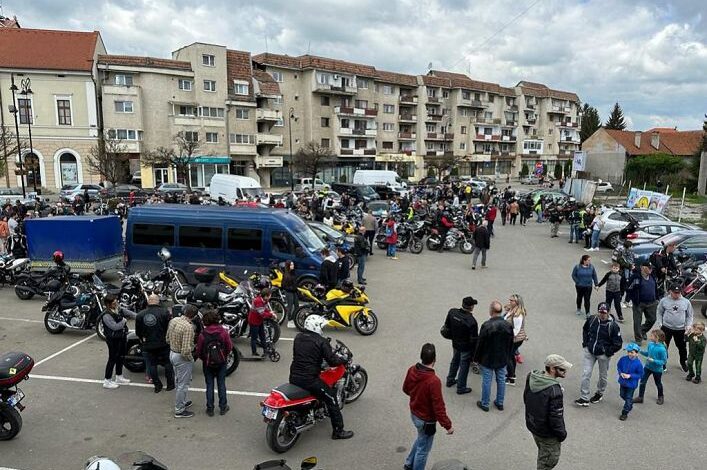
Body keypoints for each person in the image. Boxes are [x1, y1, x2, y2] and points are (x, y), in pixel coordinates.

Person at [290, 315, 354, 440]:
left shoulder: (298, 337)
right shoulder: (321, 341)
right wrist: (344, 359)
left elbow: (306, 355)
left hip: (294, 376)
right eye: (321, 326)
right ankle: (338, 431)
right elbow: (332, 361)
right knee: (331, 398)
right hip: (309, 380)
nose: (323, 328)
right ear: (316, 327)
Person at [403, 343, 453, 470]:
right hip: (426, 420)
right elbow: (439, 408)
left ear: (421, 356)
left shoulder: (412, 369)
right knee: (423, 450)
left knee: (421, 439)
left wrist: (416, 397)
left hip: (414, 413)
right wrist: (448, 426)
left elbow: (406, 389)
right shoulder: (433, 381)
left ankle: (409, 463)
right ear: (434, 359)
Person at [523, 354, 571, 470]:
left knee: (543, 454)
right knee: (549, 461)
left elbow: (525, 398)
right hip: (547, 434)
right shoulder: (554, 390)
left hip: (533, 426)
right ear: (552, 369)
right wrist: (562, 434)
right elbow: (556, 419)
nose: (565, 371)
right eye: (562, 369)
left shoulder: (532, 376)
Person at [574, 302, 623, 407]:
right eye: (600, 312)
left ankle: (599, 393)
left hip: (603, 355)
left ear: (608, 312)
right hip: (590, 351)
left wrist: (607, 351)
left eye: (604, 312)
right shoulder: (592, 319)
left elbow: (618, 343)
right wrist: (585, 344)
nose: (602, 314)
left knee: (602, 376)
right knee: (586, 373)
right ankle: (584, 397)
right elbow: (585, 330)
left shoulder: (613, 326)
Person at [474, 300, 514, 412]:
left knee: (487, 380)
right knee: (501, 380)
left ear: (491, 311)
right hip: (502, 358)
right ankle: (500, 402)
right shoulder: (508, 325)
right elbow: (511, 342)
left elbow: (480, 343)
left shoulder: (487, 325)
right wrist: (508, 355)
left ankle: (485, 403)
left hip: (488, 358)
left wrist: (476, 358)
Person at [196, 309, 233, 416]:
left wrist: (204, 358)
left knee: (209, 385)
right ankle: (223, 406)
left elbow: (199, 351)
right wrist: (223, 356)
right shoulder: (223, 332)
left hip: (208, 363)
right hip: (221, 362)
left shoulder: (203, 334)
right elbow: (229, 347)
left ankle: (210, 408)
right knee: (221, 384)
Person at [135, 294, 175, 393]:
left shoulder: (140, 315)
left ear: (148, 301)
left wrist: (143, 339)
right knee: (167, 363)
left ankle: (157, 385)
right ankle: (170, 384)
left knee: (152, 365)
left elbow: (138, 332)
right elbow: (169, 328)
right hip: (163, 343)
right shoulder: (164, 312)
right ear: (158, 301)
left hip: (148, 344)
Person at [166, 304, 197, 418]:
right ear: (193, 316)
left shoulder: (174, 320)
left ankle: (182, 402)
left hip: (172, 352)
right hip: (181, 357)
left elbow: (167, 338)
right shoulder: (188, 327)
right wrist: (191, 359)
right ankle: (179, 409)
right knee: (183, 384)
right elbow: (185, 350)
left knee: (178, 381)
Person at [444, 296, 479, 395]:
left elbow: (447, 326)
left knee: (455, 361)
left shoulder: (452, 312)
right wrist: (474, 354)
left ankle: (450, 379)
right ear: (471, 307)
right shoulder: (472, 321)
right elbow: (474, 339)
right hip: (465, 347)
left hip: (455, 343)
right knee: (464, 366)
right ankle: (461, 387)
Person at [101, 294, 137, 390]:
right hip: (112, 339)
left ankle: (119, 376)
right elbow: (115, 327)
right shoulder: (106, 315)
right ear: (108, 304)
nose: (116, 303)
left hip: (121, 337)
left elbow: (130, 313)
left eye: (116, 301)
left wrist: (140, 317)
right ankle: (107, 380)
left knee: (121, 356)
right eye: (114, 303)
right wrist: (123, 321)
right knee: (112, 358)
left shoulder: (118, 309)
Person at [656, 284, 694, 372]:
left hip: (680, 329)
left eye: (678, 293)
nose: (677, 294)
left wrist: (688, 325)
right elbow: (659, 312)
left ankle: (683, 362)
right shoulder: (664, 300)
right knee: (663, 347)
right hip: (666, 328)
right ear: (670, 291)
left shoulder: (686, 302)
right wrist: (660, 323)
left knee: (682, 347)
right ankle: (662, 363)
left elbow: (690, 315)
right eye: (675, 292)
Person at [634, 329, 667, 405]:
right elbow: (648, 353)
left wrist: (654, 360)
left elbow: (663, 361)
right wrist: (640, 351)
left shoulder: (662, 349)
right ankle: (640, 397)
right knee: (642, 381)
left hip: (657, 370)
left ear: (657, 338)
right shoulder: (650, 344)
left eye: (652, 335)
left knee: (658, 383)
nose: (650, 336)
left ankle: (660, 396)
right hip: (648, 367)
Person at [626, 263, 658, 343]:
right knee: (637, 321)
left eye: (651, 268)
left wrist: (657, 298)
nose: (651, 269)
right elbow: (629, 288)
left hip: (652, 302)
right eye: (649, 267)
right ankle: (638, 339)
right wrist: (631, 299)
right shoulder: (636, 277)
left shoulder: (652, 276)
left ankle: (642, 331)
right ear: (643, 268)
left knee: (652, 319)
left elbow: (655, 287)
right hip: (639, 303)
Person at [504, 294, 528, 386]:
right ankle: (511, 375)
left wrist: (507, 338)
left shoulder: (518, 314)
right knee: (511, 356)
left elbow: (516, 330)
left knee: (508, 357)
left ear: (517, 302)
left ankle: (510, 377)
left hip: (515, 339)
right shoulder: (513, 310)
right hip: (514, 338)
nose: (510, 301)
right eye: (510, 300)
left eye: (512, 300)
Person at [616, 343, 644, 420]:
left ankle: (625, 413)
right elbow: (619, 366)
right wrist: (620, 373)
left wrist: (630, 376)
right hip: (623, 382)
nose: (629, 354)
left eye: (632, 352)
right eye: (628, 352)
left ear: (637, 354)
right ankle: (629, 403)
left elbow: (640, 374)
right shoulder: (623, 359)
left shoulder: (638, 364)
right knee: (622, 395)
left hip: (631, 384)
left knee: (628, 397)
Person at [248, 288, 274, 356]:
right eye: (269, 296)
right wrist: (271, 314)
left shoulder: (264, 300)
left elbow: (265, 309)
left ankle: (265, 350)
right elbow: (262, 314)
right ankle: (254, 352)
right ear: (265, 296)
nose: (270, 297)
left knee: (262, 336)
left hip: (259, 321)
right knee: (254, 338)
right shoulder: (258, 301)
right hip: (254, 321)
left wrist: (270, 312)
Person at [281, 260, 299, 329]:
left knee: (297, 306)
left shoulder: (293, 272)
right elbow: (283, 285)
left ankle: (293, 318)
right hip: (289, 292)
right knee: (290, 306)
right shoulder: (285, 275)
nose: (293, 266)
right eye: (291, 265)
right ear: (288, 266)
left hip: (294, 291)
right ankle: (289, 320)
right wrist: (292, 288)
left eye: (293, 264)